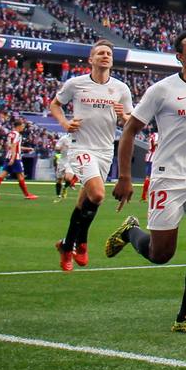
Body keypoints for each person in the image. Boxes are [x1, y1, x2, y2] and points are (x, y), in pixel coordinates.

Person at [104, 29, 186, 335]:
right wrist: (125, 176)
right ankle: (131, 231)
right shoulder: (161, 90)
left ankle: (184, 316)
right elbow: (130, 131)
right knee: (161, 254)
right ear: (180, 56)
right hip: (168, 176)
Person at [49, 40, 134, 271]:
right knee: (96, 195)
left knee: (83, 201)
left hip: (106, 150)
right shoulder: (76, 84)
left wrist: (123, 116)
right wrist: (64, 123)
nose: (105, 56)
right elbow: (55, 105)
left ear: (112, 60)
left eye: (108, 53)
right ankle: (82, 243)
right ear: (91, 59)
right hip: (82, 148)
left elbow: (131, 121)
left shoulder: (120, 88)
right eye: (100, 53)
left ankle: (67, 246)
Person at [0, 117, 37, 200]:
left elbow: (13, 146)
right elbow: (14, 147)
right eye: (22, 126)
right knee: (21, 175)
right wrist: (13, 158)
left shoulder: (11, 134)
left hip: (9, 155)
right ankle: (27, 194)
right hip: (15, 157)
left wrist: (27, 149)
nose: (23, 127)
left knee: (2, 174)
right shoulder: (17, 134)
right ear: (18, 126)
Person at [140, 129, 158, 202]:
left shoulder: (152, 135)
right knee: (151, 177)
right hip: (154, 158)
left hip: (150, 157)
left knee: (148, 177)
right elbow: (155, 143)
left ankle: (144, 196)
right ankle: (146, 196)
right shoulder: (157, 135)